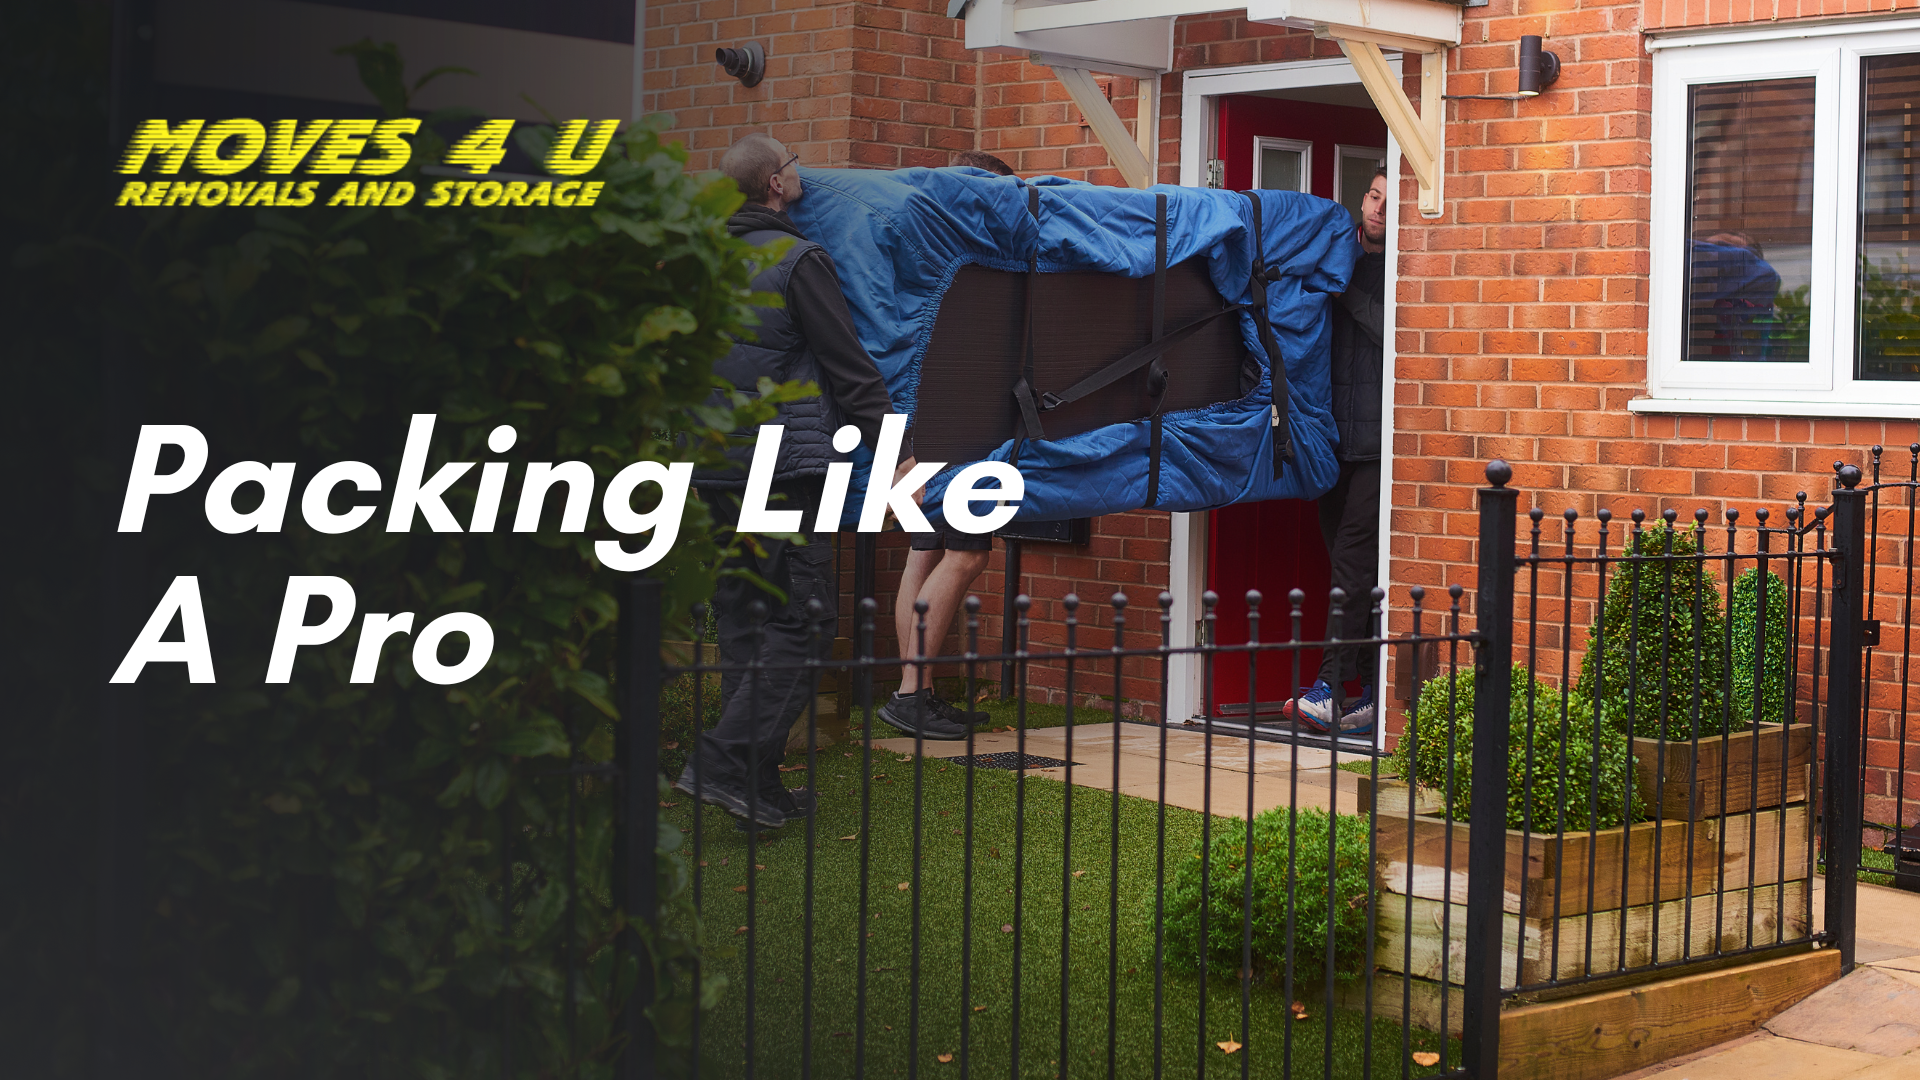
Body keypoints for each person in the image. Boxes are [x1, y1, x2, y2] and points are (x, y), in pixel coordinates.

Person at [675, 134, 920, 828]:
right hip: (781, 469)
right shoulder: (799, 259)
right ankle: (723, 761)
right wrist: (896, 451)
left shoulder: (704, 264)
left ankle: (755, 783)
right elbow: (849, 364)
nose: (799, 173)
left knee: (746, 620)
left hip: (716, 467)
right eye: (791, 166)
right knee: (806, 619)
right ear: (775, 186)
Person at [872, 149, 1017, 741]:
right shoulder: (976, 258)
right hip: (952, 428)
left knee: (922, 554)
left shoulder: (922, 244)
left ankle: (917, 691)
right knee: (967, 554)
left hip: (911, 421)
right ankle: (912, 692)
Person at [1287, 167, 1387, 736]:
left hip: (1379, 450)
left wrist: (1343, 287)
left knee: (1351, 564)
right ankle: (1369, 687)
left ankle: (1327, 689)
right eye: (1372, 196)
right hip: (1331, 445)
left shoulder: (1398, 269)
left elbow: (1391, 330)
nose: (1375, 209)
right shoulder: (1331, 253)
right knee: (1352, 571)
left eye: (1386, 202)